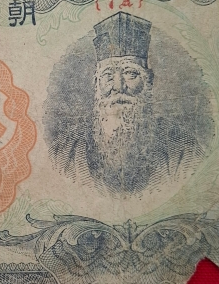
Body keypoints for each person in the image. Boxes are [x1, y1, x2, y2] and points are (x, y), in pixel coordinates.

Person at [65, 12, 203, 195]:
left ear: (148, 80)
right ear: (96, 83)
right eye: (108, 75)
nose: (118, 86)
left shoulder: (183, 150)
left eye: (130, 73)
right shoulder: (66, 151)